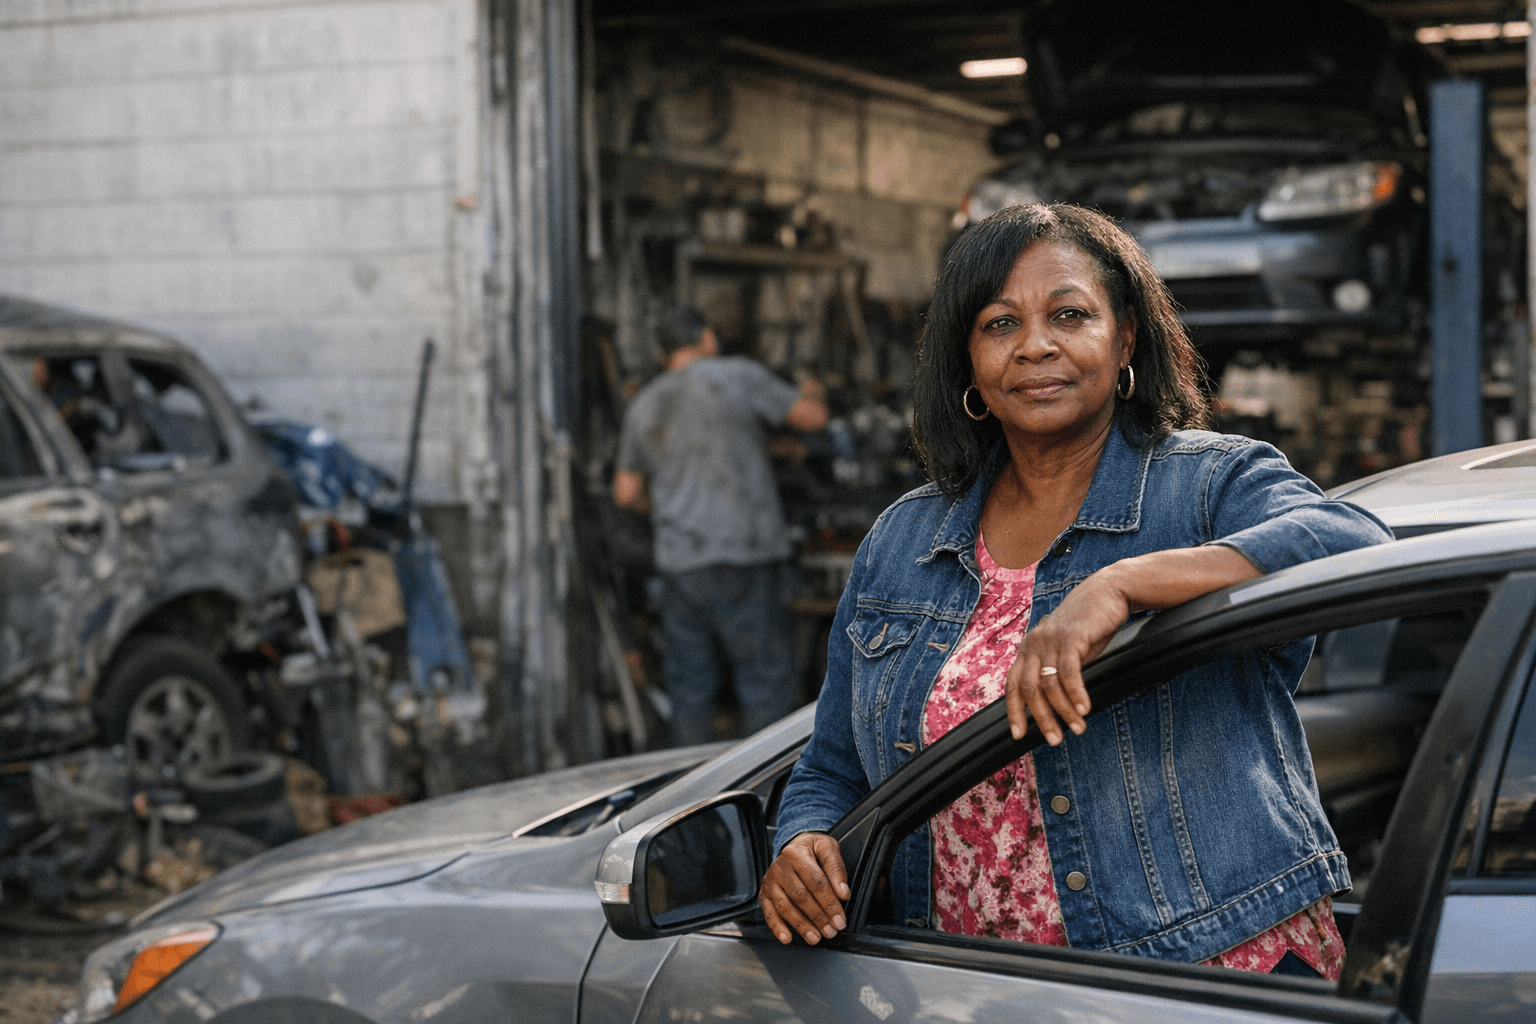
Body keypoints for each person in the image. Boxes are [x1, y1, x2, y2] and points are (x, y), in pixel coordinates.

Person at [758, 204, 1391, 979]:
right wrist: (805, 841)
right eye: (1000, 324)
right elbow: (830, 767)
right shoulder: (904, 538)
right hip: (969, 981)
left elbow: (1356, 544)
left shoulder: (1206, 484)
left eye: (1069, 315)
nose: (1035, 345)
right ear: (968, 362)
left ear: (1124, 340)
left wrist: (1123, 586)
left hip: (1205, 970)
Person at [613, 307, 828, 747]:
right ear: (707, 339)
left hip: (681, 566)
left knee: (690, 688)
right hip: (744, 557)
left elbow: (625, 492)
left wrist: (670, 509)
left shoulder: (645, 403)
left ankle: (690, 792)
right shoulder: (737, 376)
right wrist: (811, 388)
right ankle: (764, 787)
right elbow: (813, 417)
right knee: (764, 682)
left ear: (663, 353)